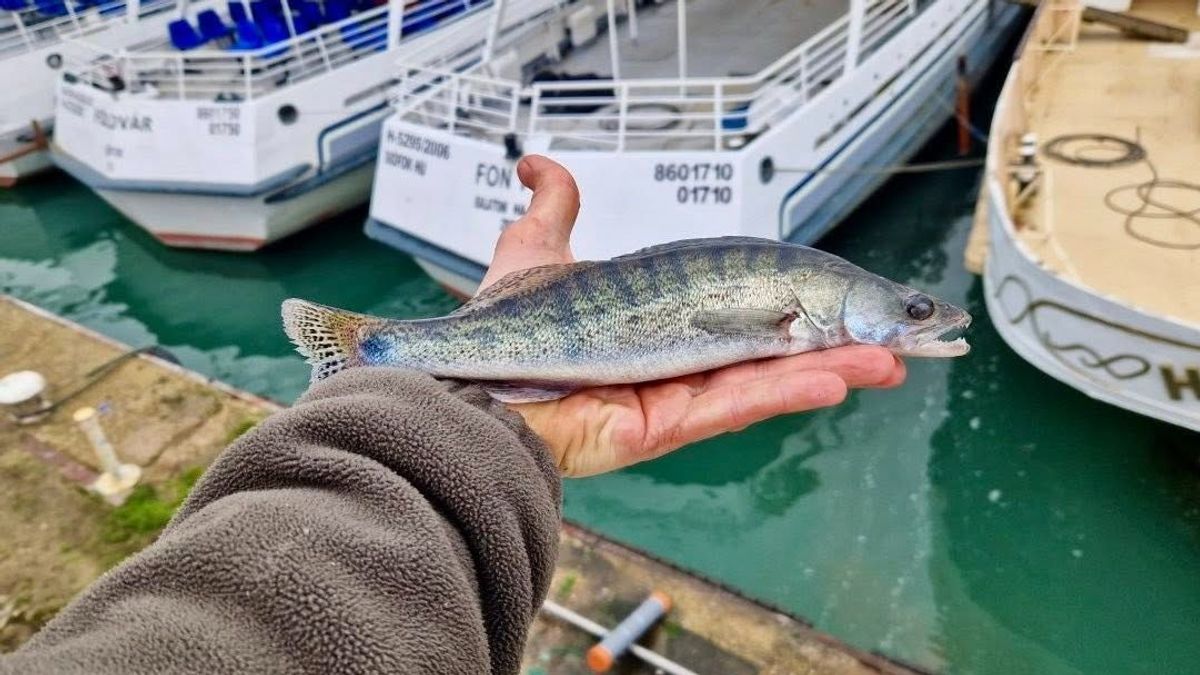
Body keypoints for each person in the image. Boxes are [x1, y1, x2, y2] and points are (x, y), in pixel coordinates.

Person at [0, 156, 904, 674]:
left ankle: (369, 353)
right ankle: (370, 347)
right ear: (832, 307)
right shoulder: (802, 297)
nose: (922, 325)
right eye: (909, 315)